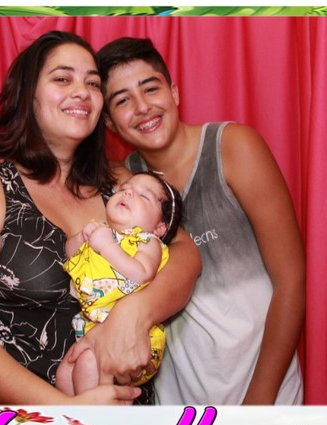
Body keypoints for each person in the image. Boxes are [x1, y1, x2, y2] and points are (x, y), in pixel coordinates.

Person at [0, 30, 199, 405]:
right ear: (28, 94)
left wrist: (135, 313)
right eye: (62, 79)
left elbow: (186, 255)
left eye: (92, 83)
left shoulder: (120, 184)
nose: (82, 92)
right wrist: (67, 411)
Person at [96, 37, 305, 406]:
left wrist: (260, 401)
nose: (143, 107)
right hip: (176, 408)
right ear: (110, 122)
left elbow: (291, 278)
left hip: (265, 394)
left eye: (151, 88)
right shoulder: (123, 189)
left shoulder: (233, 147)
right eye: (123, 100)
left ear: (174, 92)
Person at [56, 172, 184, 395]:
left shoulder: (147, 242)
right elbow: (70, 253)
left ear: (159, 227)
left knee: (86, 366)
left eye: (144, 196)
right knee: (64, 374)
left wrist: (107, 247)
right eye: (124, 188)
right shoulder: (103, 231)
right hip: (93, 326)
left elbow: (141, 273)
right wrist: (82, 237)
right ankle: (74, 412)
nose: (128, 193)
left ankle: (96, 413)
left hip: (131, 338)